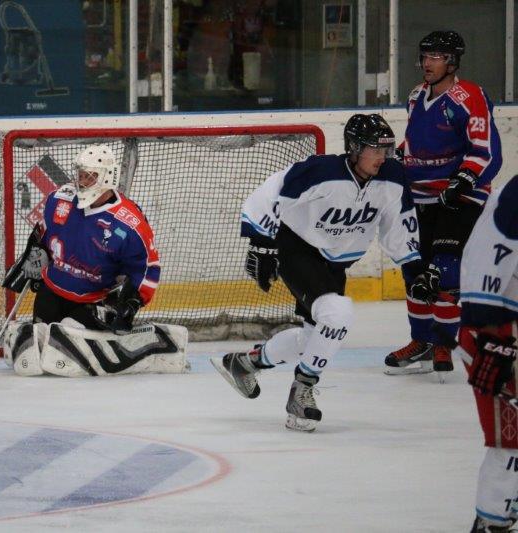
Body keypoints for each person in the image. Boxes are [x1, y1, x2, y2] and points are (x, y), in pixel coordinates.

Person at [211, 114, 425, 432]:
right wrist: (261, 243)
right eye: (375, 150)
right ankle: (302, 390)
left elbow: (399, 226)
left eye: (386, 150)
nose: (382, 157)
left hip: (333, 262)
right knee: (338, 315)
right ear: (354, 148)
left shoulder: (391, 178)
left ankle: (245, 364)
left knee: (314, 338)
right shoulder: (322, 172)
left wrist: (416, 271)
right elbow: (271, 193)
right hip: (296, 249)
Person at [2, 144, 188, 377]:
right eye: (80, 175)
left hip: (91, 302)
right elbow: (42, 235)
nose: (81, 181)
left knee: (70, 341)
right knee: (38, 345)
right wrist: (32, 260)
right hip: (52, 292)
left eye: (89, 176)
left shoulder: (129, 224)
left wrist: (131, 303)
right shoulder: (59, 199)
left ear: (107, 177)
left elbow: (146, 268)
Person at [386, 30, 502, 377]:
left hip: (459, 194)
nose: (428, 63)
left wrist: (464, 179)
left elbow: (486, 150)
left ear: (452, 62)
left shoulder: (470, 96)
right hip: (420, 194)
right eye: (425, 56)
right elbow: (415, 142)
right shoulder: (415, 95)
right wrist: (397, 161)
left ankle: (442, 342)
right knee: (415, 270)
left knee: (445, 265)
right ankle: (421, 340)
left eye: (435, 57)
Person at [455, 174, 518, 532]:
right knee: (513, 441)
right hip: (499, 333)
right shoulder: (516, 195)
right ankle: (493, 523)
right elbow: (488, 254)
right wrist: (489, 334)